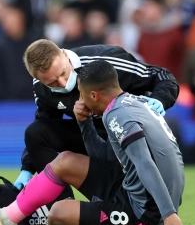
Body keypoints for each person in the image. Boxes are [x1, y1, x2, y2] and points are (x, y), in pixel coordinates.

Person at [0, 60, 186, 225]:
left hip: (147, 212)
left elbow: (145, 163)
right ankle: (6, 218)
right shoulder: (131, 103)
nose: (78, 99)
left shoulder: (117, 116)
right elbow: (108, 156)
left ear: (93, 95)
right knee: (67, 160)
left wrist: (168, 214)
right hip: (136, 189)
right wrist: (84, 123)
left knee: (58, 213)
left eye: (81, 94)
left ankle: (26, 216)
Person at [14, 39, 179, 190]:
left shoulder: (107, 61)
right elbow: (45, 121)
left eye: (63, 73)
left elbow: (161, 75)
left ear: (64, 54)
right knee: (36, 133)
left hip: (130, 134)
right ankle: (60, 206)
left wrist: (159, 100)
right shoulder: (41, 87)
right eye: (52, 83)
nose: (63, 84)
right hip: (92, 138)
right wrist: (28, 167)